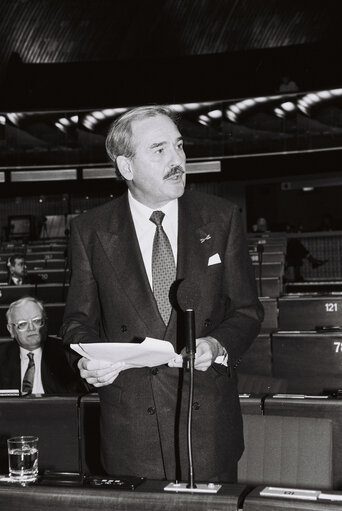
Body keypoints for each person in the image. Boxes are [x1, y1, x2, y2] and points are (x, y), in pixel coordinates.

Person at [61, 105, 263, 483]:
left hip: (208, 428)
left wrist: (218, 344)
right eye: (159, 150)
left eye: (180, 146)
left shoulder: (221, 217)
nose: (178, 160)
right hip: (131, 430)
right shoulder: (90, 230)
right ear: (126, 167)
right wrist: (86, 362)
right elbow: (77, 322)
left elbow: (248, 312)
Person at [0, 296, 86, 394]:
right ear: (11, 330)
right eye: (22, 324)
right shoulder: (2, 356)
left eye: (37, 321)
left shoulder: (68, 353)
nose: (31, 328)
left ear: (45, 324)